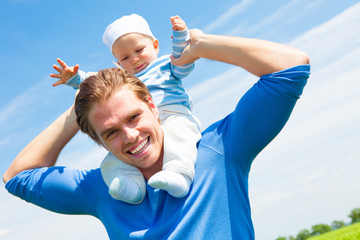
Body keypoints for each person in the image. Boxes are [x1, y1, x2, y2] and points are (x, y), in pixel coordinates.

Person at [3, 27, 310, 239]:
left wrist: (203, 46)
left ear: (152, 105)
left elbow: (290, 67)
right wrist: (78, 111)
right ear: (97, 140)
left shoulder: (219, 150)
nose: (131, 136)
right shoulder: (104, 188)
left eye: (134, 116)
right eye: (110, 132)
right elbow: (16, 177)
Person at [50, 14, 202, 204]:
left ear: (155, 45)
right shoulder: (121, 80)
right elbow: (92, 81)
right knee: (110, 162)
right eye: (125, 57)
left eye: (139, 50)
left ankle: (179, 174)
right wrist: (74, 78)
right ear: (118, 63)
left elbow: (184, 62)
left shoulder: (164, 65)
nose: (135, 59)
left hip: (174, 115)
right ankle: (130, 188)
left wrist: (180, 35)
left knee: (180, 135)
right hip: (145, 129)